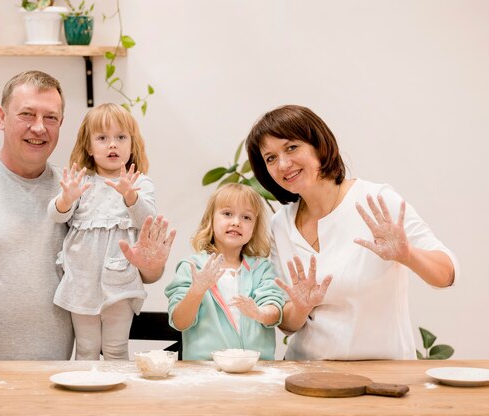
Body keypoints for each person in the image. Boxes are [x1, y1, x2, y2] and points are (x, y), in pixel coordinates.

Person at [0, 71, 175, 360]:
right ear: (1, 117)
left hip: (52, 382)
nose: (39, 128)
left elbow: (141, 270)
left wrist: (151, 267)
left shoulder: (76, 189)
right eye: (27, 114)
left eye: (51, 118)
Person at [245, 104, 459, 360]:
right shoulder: (281, 223)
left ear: (318, 145)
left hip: (383, 375)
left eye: (292, 147)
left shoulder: (376, 200)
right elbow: (288, 323)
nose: (283, 164)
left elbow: (446, 274)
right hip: (306, 373)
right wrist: (303, 306)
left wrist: (407, 254)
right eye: (270, 158)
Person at [47, 103, 159, 360]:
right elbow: (55, 215)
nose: (112, 145)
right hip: (81, 279)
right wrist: (66, 198)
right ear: (89, 146)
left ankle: (117, 399)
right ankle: (86, 396)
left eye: (121, 137)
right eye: (102, 138)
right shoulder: (81, 182)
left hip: (121, 279)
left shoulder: (140, 183)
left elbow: (149, 220)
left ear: (132, 144)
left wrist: (131, 196)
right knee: (85, 349)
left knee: (116, 348)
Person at [165, 183, 327, 360]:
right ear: (210, 220)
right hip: (205, 370)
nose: (236, 222)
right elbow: (180, 322)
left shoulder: (262, 269)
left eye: (246, 217)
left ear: (254, 228)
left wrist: (260, 313)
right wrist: (196, 292)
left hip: (256, 369)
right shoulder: (192, 267)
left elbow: (274, 309)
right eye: (227, 214)